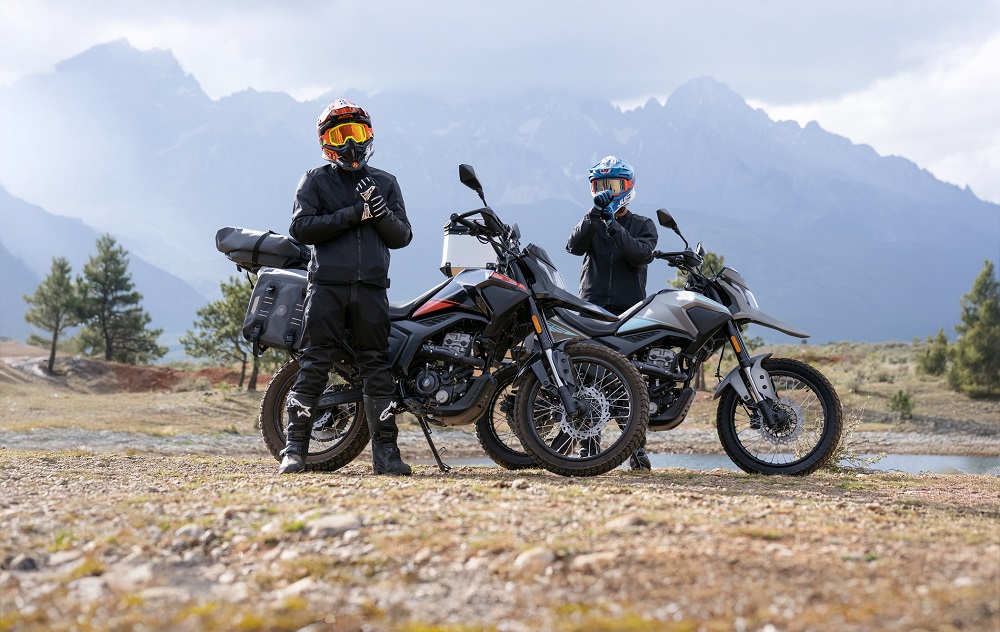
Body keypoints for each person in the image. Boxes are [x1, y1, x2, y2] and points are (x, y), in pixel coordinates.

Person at [280, 98, 413, 476]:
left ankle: (387, 455)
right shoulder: (315, 180)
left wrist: (380, 212)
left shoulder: (386, 182)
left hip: (371, 288)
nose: (351, 143)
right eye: (341, 135)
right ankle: (294, 450)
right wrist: (354, 213)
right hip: (327, 287)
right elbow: (301, 229)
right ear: (326, 142)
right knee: (314, 363)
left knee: (377, 367)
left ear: (369, 135)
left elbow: (402, 236)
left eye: (356, 133)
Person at [566, 155, 657, 470]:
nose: (607, 191)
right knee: (586, 381)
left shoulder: (643, 224)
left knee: (629, 383)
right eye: (601, 185)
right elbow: (573, 246)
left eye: (613, 185)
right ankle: (588, 446)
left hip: (629, 313)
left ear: (627, 187)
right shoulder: (591, 220)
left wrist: (612, 225)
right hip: (591, 310)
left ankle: (636, 450)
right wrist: (595, 216)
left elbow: (639, 254)